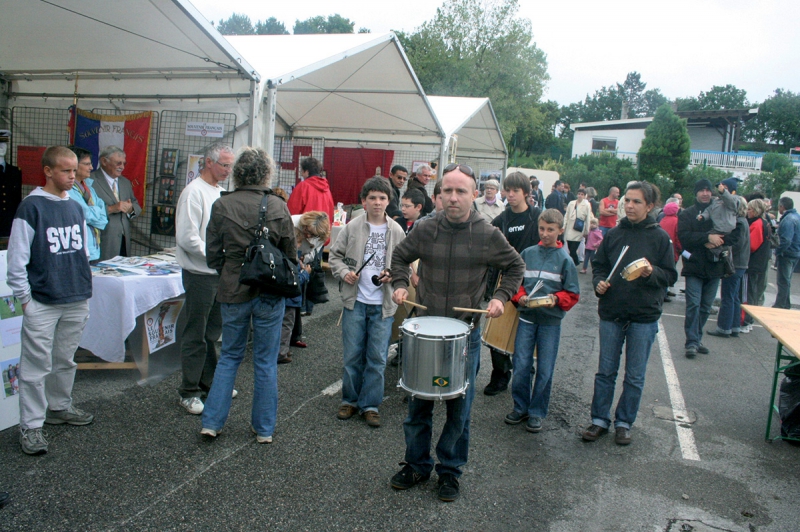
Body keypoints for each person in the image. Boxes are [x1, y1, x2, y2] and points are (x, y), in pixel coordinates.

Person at [389, 163, 525, 502]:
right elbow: (400, 257)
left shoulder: (487, 233)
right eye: (447, 190)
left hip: (466, 335)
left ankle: (450, 471)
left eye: (461, 191)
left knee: (458, 410)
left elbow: (515, 266)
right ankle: (417, 464)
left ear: (474, 194)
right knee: (418, 405)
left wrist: (499, 297)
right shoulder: (424, 228)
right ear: (439, 194)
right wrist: (401, 283)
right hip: (426, 332)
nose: (453, 197)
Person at [202, 147, 296, 444]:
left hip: (233, 286)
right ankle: (264, 429)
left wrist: (229, 270)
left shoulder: (222, 205)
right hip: (269, 289)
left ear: (238, 173)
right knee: (265, 361)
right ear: (267, 174)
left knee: (229, 356)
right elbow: (290, 256)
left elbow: (213, 255)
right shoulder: (278, 206)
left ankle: (212, 423)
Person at [7, 146, 95, 455]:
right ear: (47, 171)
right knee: (35, 367)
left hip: (75, 296)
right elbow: (16, 261)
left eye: (75, 170)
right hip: (44, 301)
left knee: (65, 359)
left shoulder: (74, 205)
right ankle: (31, 426)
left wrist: (84, 284)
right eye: (65, 171)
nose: (73, 176)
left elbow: (82, 250)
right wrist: (27, 302)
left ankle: (59, 407)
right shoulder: (31, 207)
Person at [583, 181, 677, 445]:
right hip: (612, 312)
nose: (630, 205)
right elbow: (599, 265)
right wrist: (598, 283)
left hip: (644, 316)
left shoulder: (659, 237)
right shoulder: (613, 234)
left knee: (634, 375)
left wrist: (652, 273)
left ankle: (624, 422)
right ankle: (599, 419)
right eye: (628, 200)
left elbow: (670, 275)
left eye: (637, 201)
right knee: (605, 371)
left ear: (649, 206)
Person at [329, 177, 405, 428]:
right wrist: (344, 273)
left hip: (383, 304)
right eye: (372, 197)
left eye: (382, 198)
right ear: (363, 201)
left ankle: (370, 404)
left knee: (377, 357)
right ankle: (349, 399)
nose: (377, 202)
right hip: (356, 300)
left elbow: (403, 265)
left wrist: (391, 274)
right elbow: (335, 257)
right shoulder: (352, 226)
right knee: (352, 355)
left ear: (388, 201)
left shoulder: (396, 230)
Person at [505, 208, 579, 433]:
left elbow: (573, 294)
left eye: (550, 230)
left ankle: (537, 412)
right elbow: (516, 283)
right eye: (542, 229)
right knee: (521, 365)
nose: (545, 233)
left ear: (560, 231)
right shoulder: (527, 253)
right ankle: (520, 407)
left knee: (545, 369)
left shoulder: (565, 260)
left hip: (550, 323)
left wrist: (555, 299)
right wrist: (520, 297)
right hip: (527, 319)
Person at [174, 143, 233, 415]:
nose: (228, 170)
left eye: (230, 166)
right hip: (200, 274)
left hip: (218, 273)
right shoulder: (193, 192)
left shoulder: (221, 192)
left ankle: (209, 383)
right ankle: (189, 390)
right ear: (208, 162)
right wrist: (217, 256)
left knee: (211, 333)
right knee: (195, 334)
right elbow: (187, 238)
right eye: (224, 165)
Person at [484, 172, 542, 395]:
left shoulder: (537, 218)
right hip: (505, 281)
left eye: (515, 191)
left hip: (531, 282)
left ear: (527, 193)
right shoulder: (501, 220)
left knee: (525, 331)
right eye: (507, 191)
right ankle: (500, 376)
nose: (511, 195)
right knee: (497, 329)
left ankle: (525, 372)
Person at [677, 179, 727, 359]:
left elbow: (729, 234)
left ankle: (696, 338)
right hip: (694, 266)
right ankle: (691, 341)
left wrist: (716, 239)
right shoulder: (687, 214)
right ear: (696, 193)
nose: (705, 193)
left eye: (708, 190)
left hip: (715, 265)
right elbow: (684, 237)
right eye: (702, 190)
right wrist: (708, 237)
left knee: (706, 307)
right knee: (694, 304)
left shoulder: (720, 211)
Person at [279, 212, 330, 364]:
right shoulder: (292, 223)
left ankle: (293, 338)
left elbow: (313, 254)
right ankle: (282, 348)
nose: (308, 235)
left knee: (294, 307)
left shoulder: (319, 237)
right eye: (306, 231)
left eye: (312, 234)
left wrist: (303, 260)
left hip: (299, 264)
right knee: (287, 315)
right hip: (290, 266)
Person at [707, 196, 750, 337]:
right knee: (734, 297)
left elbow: (735, 244)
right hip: (741, 263)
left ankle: (724, 327)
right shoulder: (744, 222)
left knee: (727, 296)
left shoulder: (738, 223)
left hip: (735, 263)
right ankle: (734, 325)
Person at [90, 146, 141, 260]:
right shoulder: (90, 181)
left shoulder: (125, 182)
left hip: (124, 242)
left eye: (124, 163)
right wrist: (112, 208)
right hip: (102, 242)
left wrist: (130, 209)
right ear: (104, 161)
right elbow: (85, 212)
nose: (122, 167)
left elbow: (136, 206)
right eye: (118, 163)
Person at [66, 146, 107, 263]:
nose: (91, 168)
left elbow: (103, 218)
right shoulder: (67, 190)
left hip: (93, 249)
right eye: (87, 164)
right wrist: (97, 210)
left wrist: (94, 211)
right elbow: (85, 215)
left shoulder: (89, 187)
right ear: (74, 165)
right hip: (78, 249)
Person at [741, 199, 773, 332]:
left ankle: (746, 321)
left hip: (752, 264)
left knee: (747, 294)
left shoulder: (757, 224)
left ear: (756, 210)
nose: (747, 212)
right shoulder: (765, 223)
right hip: (760, 264)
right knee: (753, 293)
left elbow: (752, 245)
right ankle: (748, 321)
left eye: (749, 209)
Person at [696, 181, 738, 261]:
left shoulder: (734, 199)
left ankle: (722, 257)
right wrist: (703, 216)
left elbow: (731, 203)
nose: (721, 190)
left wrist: (723, 192)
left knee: (723, 247)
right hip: (716, 227)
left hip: (725, 228)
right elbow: (709, 210)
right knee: (707, 237)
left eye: (725, 188)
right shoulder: (716, 201)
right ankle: (716, 255)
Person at [287, 157, 334, 224]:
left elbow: (292, 211)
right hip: (322, 230)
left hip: (306, 230)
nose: (301, 174)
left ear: (306, 172)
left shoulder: (303, 186)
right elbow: (330, 213)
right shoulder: (326, 189)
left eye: (302, 171)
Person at [773, 196, 800, 309]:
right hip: (795, 252)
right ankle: (785, 305)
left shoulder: (788, 219)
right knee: (786, 280)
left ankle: (781, 305)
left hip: (787, 254)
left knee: (783, 281)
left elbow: (786, 240)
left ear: (782, 206)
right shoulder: (796, 217)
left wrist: (777, 251)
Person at [563, 188, 593, 266]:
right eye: (579, 194)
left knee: (573, 249)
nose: (580, 196)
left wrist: (587, 230)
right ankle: (573, 262)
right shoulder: (571, 203)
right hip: (570, 227)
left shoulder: (587, 204)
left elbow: (588, 218)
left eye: (582, 194)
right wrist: (564, 226)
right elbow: (566, 215)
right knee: (570, 247)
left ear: (584, 196)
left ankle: (575, 262)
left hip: (579, 228)